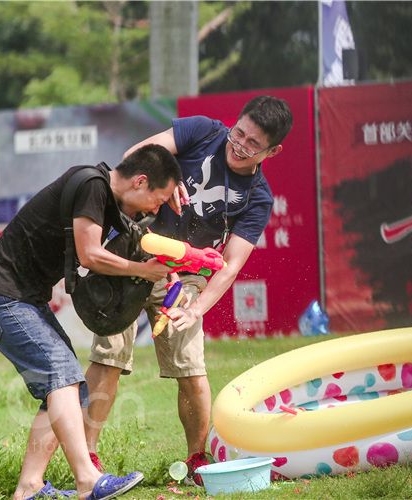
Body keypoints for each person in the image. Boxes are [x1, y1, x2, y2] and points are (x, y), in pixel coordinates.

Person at [84, 95, 293, 485]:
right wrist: (169, 178)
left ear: (272, 152)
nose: (239, 145)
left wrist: (196, 309)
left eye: (252, 144)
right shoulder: (203, 131)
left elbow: (230, 265)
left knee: (191, 367)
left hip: (185, 278)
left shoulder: (257, 197)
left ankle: (197, 459)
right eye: (239, 132)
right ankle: (87, 459)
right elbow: (133, 159)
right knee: (108, 357)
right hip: (133, 256)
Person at [0, 145, 182, 500]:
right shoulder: (92, 186)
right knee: (62, 376)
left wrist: (164, 264)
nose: (155, 210)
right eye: (157, 200)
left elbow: (130, 241)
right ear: (140, 181)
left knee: (68, 386)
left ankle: (29, 487)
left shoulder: (106, 199)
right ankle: (88, 480)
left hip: (21, 299)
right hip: (1, 298)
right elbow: (90, 255)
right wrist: (142, 270)